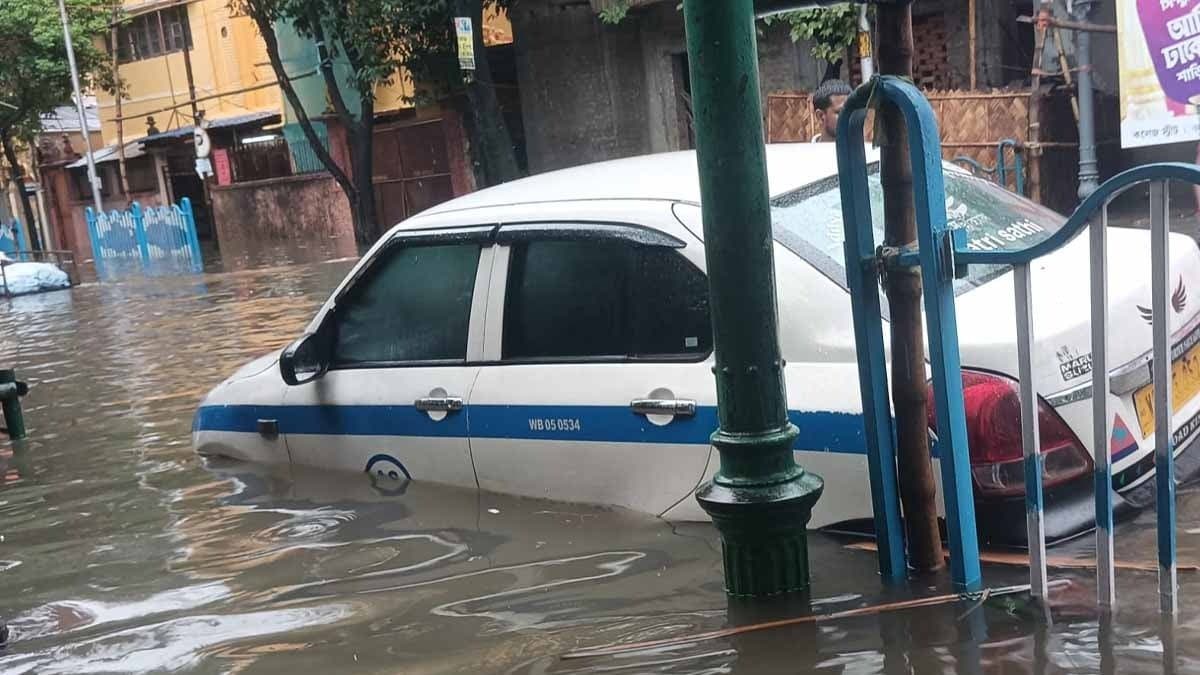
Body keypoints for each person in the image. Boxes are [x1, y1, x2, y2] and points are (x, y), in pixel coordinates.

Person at [811, 79, 853, 143]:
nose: (850, 118)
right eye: (841, 113)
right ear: (820, 116)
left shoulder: (867, 151)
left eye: (852, 112)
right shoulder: (805, 152)